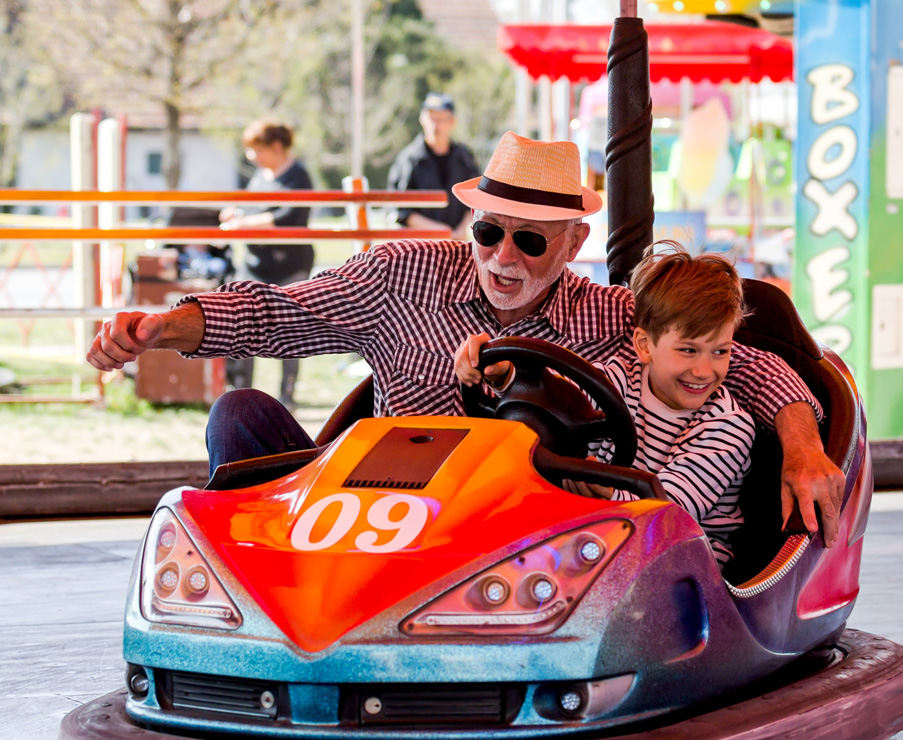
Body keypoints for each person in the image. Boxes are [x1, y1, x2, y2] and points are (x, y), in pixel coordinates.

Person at [85, 132, 846, 545]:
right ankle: (255, 603)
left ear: (574, 242)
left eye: (531, 242)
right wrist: (159, 328)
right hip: (368, 516)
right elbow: (278, 312)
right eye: (488, 231)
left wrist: (805, 445)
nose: (503, 257)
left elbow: (739, 364)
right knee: (239, 416)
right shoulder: (400, 275)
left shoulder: (613, 319)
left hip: (497, 543)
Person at [455, 242, 754, 568]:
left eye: (720, 352)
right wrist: (505, 377)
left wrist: (606, 492)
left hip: (684, 564)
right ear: (644, 346)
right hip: (603, 539)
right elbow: (561, 401)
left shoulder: (727, 428)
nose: (704, 371)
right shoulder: (618, 378)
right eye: (688, 350)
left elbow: (671, 513)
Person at [219, 120, 315, 410]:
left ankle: (287, 393)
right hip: (254, 264)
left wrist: (244, 222)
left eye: (257, 150)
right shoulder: (260, 176)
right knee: (244, 324)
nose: (253, 157)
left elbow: (288, 215)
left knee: (290, 330)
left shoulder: (298, 177)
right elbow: (250, 206)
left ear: (276, 147)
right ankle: (241, 391)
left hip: (289, 265)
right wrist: (235, 212)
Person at [387, 92, 480, 239]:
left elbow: (477, 198)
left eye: (441, 119)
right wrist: (439, 231)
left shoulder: (464, 157)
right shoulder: (410, 159)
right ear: (421, 119)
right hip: (421, 245)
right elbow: (398, 209)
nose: (435, 125)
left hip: (458, 241)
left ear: (452, 121)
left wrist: (461, 229)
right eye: (431, 118)